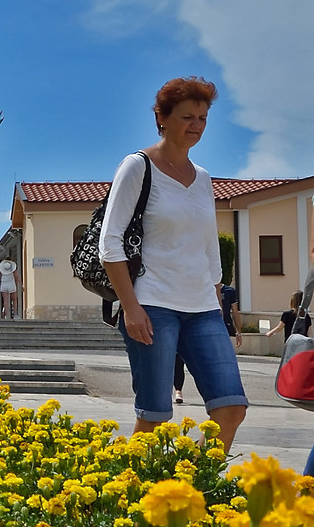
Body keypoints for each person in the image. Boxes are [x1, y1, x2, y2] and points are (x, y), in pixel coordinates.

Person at [99, 76, 247, 452]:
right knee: (153, 418)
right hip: (152, 306)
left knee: (231, 409)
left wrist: (217, 299)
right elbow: (110, 242)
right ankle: (130, 498)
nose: (196, 126)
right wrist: (130, 308)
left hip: (202, 309)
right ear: (161, 118)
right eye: (187, 117)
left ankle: (192, 490)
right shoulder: (138, 167)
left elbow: (208, 245)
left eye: (202, 118)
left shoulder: (203, 178)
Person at [0, 253, 18, 320]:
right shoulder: (13, 269)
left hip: (4, 283)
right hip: (11, 282)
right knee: (14, 300)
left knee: (6, 300)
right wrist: (20, 284)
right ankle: (15, 314)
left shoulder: (1, 269)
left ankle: (7, 315)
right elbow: (16, 276)